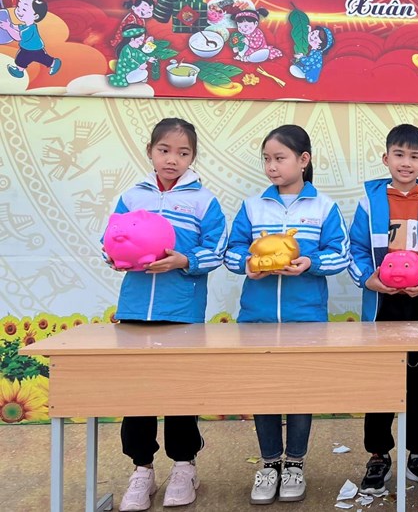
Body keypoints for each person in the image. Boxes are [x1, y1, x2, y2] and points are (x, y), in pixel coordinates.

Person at [104, 118, 227, 511]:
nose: (172, 159)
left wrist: (184, 260)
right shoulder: (131, 197)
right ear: (150, 151)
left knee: (179, 392)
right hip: (135, 309)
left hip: (182, 311)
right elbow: (110, 239)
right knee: (137, 393)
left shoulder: (203, 201)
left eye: (183, 152)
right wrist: (113, 255)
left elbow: (218, 250)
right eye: (164, 150)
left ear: (193, 157)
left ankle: (184, 466)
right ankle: (142, 469)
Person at [226, 124, 350, 504]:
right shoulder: (253, 207)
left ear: (303, 160)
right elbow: (231, 253)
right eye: (266, 159)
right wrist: (249, 265)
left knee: (299, 391)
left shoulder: (324, 207)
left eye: (279, 158)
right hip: (257, 318)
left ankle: (295, 463)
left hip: (306, 318)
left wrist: (310, 262)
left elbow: (341, 255)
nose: (271, 166)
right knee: (263, 390)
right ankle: (269, 464)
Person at [347, 124, 418, 496]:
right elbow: (355, 248)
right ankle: (378, 455)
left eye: (414, 156)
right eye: (399, 154)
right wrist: (368, 279)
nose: (406, 163)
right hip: (381, 306)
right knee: (379, 383)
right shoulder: (370, 201)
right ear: (386, 158)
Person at [1, 0, 61, 78]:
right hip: (26, 48)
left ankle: (54, 63)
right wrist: (10, 25)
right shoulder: (25, 26)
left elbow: (18, 37)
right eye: (18, 7)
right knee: (21, 59)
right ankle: (19, 70)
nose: (19, 11)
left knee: (43, 59)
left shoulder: (29, 29)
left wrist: (8, 28)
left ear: (35, 16)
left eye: (24, 9)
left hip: (35, 50)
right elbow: (17, 27)